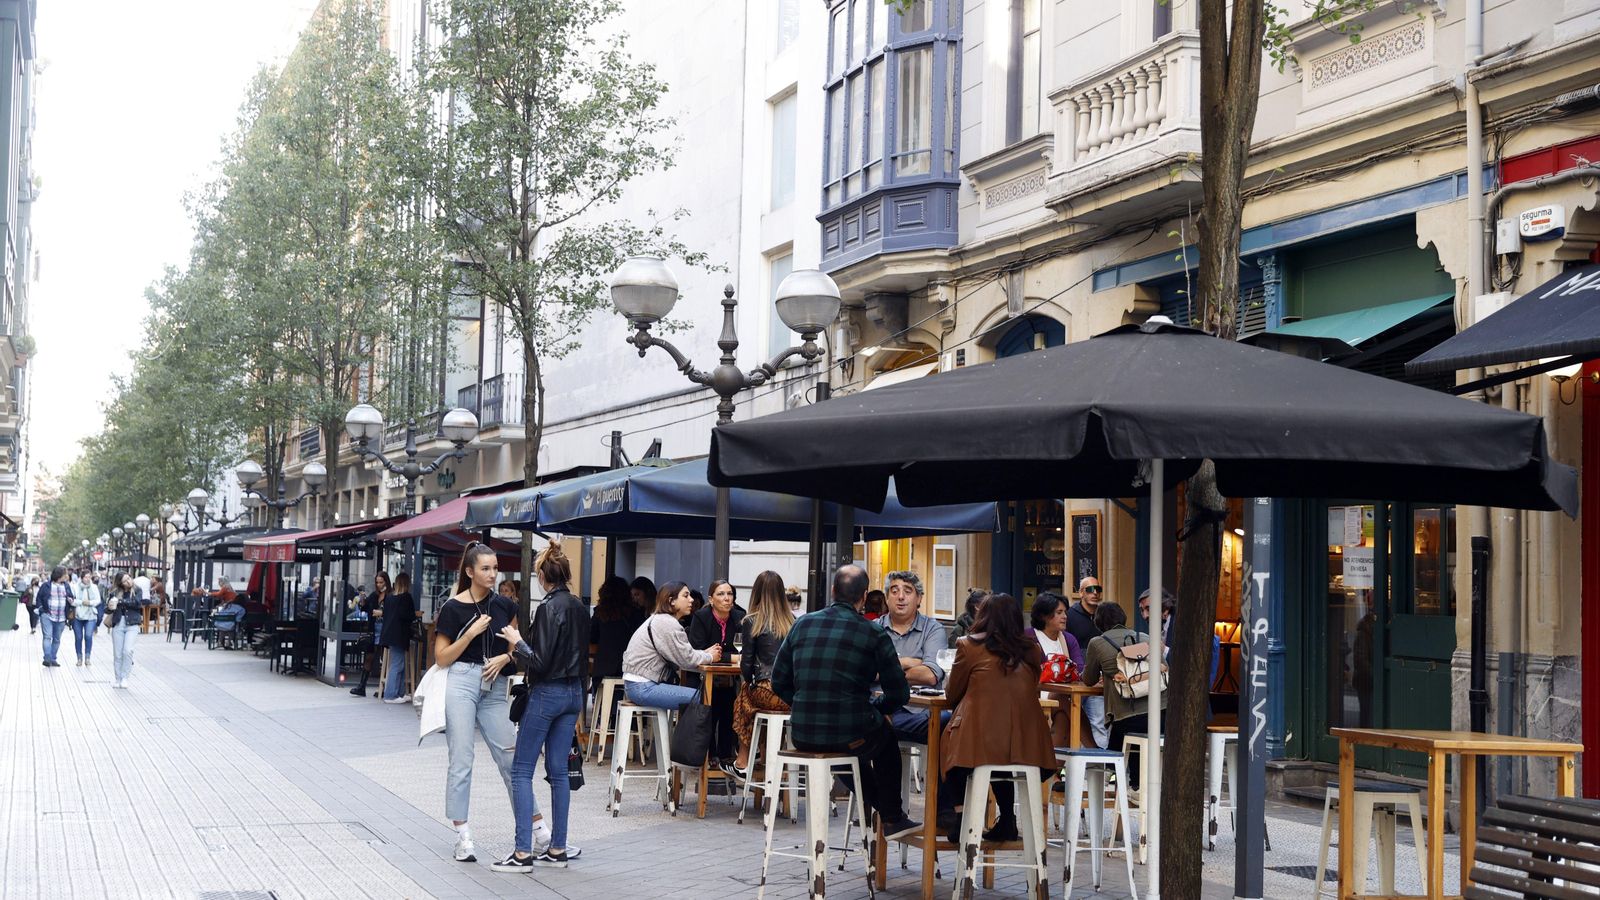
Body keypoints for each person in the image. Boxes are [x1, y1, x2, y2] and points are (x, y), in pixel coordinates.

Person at [771, 565, 919, 835]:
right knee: (884, 738)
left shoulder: (802, 623)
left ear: (832, 591)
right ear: (864, 596)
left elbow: (778, 682)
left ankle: (887, 813)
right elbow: (899, 694)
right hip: (850, 731)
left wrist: (805, 703)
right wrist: (877, 707)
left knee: (845, 755)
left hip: (803, 733)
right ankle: (892, 815)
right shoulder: (873, 633)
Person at [493, 541, 590, 872]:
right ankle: (558, 849)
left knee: (521, 770)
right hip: (573, 692)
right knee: (559, 771)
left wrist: (517, 642)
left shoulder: (548, 608)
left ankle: (523, 852)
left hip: (548, 692)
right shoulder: (578, 605)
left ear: (541, 576)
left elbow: (541, 661)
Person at [935, 592, 1057, 845]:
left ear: (983, 617)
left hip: (979, 744)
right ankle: (1007, 819)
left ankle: (959, 814)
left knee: (953, 743)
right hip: (1029, 747)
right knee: (1003, 758)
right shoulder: (1032, 650)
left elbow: (952, 694)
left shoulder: (968, 646)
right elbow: (1030, 689)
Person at [433, 542, 527, 864]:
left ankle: (534, 828)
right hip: (461, 681)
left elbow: (516, 646)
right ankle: (463, 837)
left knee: (511, 758)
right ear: (470, 571)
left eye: (495, 567)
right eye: (485, 569)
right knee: (461, 758)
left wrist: (505, 657)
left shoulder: (504, 605)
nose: (492, 573)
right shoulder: (452, 608)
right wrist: (471, 634)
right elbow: (442, 658)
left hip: (495, 682)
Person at [1083, 601, 1166, 785]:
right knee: (1135, 733)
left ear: (1098, 622)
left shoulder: (1097, 643)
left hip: (1126, 715)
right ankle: (1136, 785)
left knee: (1125, 729)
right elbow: (1164, 669)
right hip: (1161, 713)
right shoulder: (1144, 637)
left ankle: (1118, 777)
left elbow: (1088, 679)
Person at [729, 570, 794, 775]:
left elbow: (746, 667)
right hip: (792, 696)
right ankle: (767, 758)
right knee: (755, 704)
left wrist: (749, 681)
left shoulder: (752, 621)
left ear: (756, 593)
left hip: (769, 691)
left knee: (743, 698)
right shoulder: (792, 621)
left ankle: (742, 761)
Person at [620, 582, 721, 710]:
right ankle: (687, 731)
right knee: (702, 698)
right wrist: (709, 657)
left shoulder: (661, 619)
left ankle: (686, 730)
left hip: (637, 685)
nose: (691, 600)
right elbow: (686, 660)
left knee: (702, 696)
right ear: (671, 601)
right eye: (686, 596)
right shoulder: (667, 623)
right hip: (643, 687)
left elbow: (682, 655)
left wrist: (704, 654)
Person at [877, 570, 950, 744]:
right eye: (894, 591)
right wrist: (908, 663)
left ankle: (933, 772)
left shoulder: (933, 630)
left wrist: (885, 670)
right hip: (880, 709)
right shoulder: (873, 628)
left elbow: (930, 675)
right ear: (887, 598)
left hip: (921, 712)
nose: (900, 597)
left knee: (948, 722)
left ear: (919, 599)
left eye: (908, 591)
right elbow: (866, 671)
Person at [687, 579, 746, 769]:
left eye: (730, 594)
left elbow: (743, 652)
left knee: (731, 705)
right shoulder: (701, 617)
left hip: (729, 680)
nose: (727, 598)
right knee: (710, 709)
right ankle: (710, 755)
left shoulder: (740, 617)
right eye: (721, 594)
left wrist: (723, 656)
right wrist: (731, 657)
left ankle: (726, 756)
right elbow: (698, 650)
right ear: (711, 599)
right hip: (702, 678)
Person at [1066, 577, 1109, 748]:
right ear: (1081, 592)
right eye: (1090, 589)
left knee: (1098, 723)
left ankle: (1099, 770)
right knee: (1070, 722)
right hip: (1074, 679)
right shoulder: (1070, 616)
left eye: (1098, 589)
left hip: (1096, 680)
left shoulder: (1103, 616)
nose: (1095, 593)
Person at [590, 576, 645, 690]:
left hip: (603, 669)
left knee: (603, 700)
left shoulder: (600, 613)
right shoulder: (636, 613)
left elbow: (591, 637)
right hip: (630, 670)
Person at [105, 573, 152, 688]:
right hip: (118, 623)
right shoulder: (114, 592)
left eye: (129, 578)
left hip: (132, 624)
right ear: (120, 583)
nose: (129, 581)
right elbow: (107, 609)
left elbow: (136, 603)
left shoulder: (137, 590)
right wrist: (110, 607)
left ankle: (125, 677)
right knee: (118, 653)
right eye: (125, 580)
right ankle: (118, 678)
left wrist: (120, 602)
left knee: (128, 651)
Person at [379, 572, 418, 703]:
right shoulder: (406, 598)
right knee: (397, 664)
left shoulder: (389, 598)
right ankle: (390, 695)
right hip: (399, 635)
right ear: (407, 584)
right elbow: (410, 616)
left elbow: (386, 615)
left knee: (399, 663)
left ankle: (400, 693)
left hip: (389, 635)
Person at [352, 572, 391, 696]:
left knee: (385, 659)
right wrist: (362, 601)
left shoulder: (391, 595)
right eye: (377, 582)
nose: (379, 585)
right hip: (373, 630)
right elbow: (364, 607)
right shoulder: (374, 595)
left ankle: (383, 689)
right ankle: (361, 686)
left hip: (385, 630)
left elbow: (393, 612)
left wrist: (382, 613)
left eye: (381, 582)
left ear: (386, 582)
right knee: (369, 656)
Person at [1030, 592, 1085, 674]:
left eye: (1065, 612)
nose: (1065, 616)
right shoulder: (1028, 637)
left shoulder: (1069, 639)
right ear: (1044, 615)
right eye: (1059, 612)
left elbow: (1079, 669)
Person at [37, 566, 74, 668]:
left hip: (61, 617)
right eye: (65, 574)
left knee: (57, 639)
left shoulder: (66, 586)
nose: (67, 576)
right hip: (47, 615)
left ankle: (53, 659)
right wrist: (41, 610)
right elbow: (39, 598)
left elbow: (71, 597)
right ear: (59, 575)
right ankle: (47, 658)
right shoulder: (46, 585)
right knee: (47, 636)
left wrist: (71, 599)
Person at [71, 571, 102, 667]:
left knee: (88, 636)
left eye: (89, 577)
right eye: (85, 577)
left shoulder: (94, 587)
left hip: (90, 615)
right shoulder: (75, 587)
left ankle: (87, 657)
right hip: (78, 615)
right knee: (78, 637)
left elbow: (98, 600)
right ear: (81, 578)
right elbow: (72, 600)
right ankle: (79, 658)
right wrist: (81, 602)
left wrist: (89, 603)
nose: (87, 579)